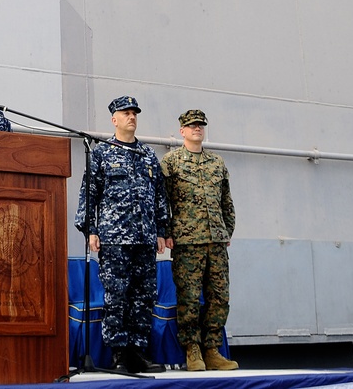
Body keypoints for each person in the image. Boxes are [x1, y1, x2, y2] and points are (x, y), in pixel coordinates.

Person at [74, 96, 170, 374]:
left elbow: (159, 196)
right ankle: (119, 354)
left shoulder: (148, 155)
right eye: (125, 113)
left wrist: (162, 230)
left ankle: (137, 352)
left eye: (134, 113)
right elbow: (88, 194)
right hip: (114, 238)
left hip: (144, 238)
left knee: (143, 296)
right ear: (113, 119)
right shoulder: (102, 153)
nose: (131, 117)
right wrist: (90, 229)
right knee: (117, 296)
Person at [160, 109, 238, 371]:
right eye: (192, 126)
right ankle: (193, 350)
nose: (197, 129)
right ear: (182, 131)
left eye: (200, 126)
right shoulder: (171, 162)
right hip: (187, 241)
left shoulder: (217, 163)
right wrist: (167, 231)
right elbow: (163, 202)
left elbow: (226, 201)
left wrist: (227, 230)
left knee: (219, 297)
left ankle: (212, 349)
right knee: (190, 298)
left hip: (216, 241)